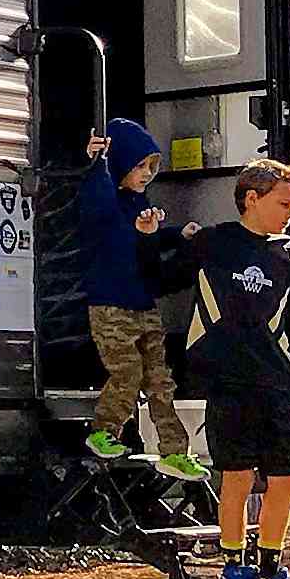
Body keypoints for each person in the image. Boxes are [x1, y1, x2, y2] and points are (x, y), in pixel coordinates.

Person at [175, 157, 290, 579]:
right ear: (252, 199)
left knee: (287, 477)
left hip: (276, 383)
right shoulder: (215, 243)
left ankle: (270, 569)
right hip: (227, 382)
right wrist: (159, 237)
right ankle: (233, 568)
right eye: (284, 204)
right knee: (238, 476)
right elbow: (163, 276)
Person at [76, 119, 207, 479]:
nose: (148, 173)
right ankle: (103, 431)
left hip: (143, 305)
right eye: (140, 165)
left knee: (161, 381)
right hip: (111, 306)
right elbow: (117, 239)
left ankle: (175, 452)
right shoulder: (101, 199)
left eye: (152, 166)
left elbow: (142, 242)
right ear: (120, 164)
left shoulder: (138, 202)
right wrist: (97, 161)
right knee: (128, 373)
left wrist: (175, 236)